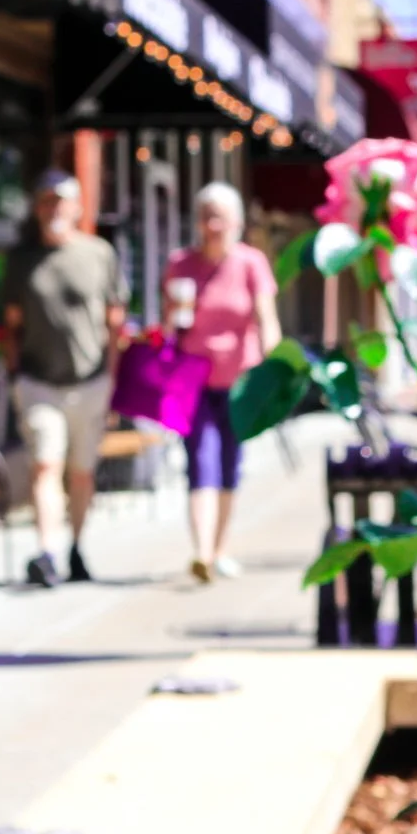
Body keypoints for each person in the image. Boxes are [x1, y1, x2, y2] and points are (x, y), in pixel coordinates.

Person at [3, 170, 126, 587]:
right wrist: (14, 375)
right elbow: (11, 324)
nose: (53, 209)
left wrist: (112, 378)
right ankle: (47, 551)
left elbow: (115, 323)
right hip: (39, 381)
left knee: (81, 472)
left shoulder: (98, 254)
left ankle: (76, 546)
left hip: (90, 380)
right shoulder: (21, 260)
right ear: (37, 208)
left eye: (61, 201)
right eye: (46, 201)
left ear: (76, 207)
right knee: (44, 466)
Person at [164, 181, 279, 583]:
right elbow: (170, 325)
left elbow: (267, 318)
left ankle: (218, 549)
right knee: (200, 462)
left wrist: (273, 368)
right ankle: (201, 553)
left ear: (237, 222)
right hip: (193, 381)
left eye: (221, 216)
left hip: (240, 382)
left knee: (230, 464)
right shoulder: (181, 265)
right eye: (207, 216)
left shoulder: (251, 264)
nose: (213, 224)